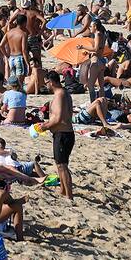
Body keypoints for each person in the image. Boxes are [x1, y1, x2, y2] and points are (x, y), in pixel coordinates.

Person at [35, 70, 74, 202]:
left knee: (62, 166)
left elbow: (58, 118)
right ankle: (63, 190)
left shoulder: (60, 94)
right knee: (61, 164)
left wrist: (44, 126)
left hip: (63, 134)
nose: (46, 86)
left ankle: (69, 195)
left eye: (46, 83)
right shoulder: (64, 93)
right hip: (64, 133)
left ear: (51, 82)